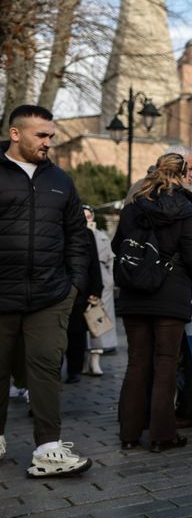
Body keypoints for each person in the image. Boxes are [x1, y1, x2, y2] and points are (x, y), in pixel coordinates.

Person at [0, 104, 93, 477]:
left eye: (51, 136)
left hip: (50, 295)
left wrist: (73, 284)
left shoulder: (61, 180)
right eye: (41, 135)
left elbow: (77, 236)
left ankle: (48, 449)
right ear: (16, 133)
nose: (48, 143)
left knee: (45, 368)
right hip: (1, 294)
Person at [113, 153, 192, 453]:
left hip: (133, 292)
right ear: (182, 174)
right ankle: (161, 436)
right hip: (170, 292)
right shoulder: (185, 209)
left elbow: (118, 245)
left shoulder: (134, 205)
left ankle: (129, 434)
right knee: (166, 363)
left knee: (137, 362)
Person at [64, 206, 104, 384]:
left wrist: (96, 291)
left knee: (77, 333)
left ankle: (75, 370)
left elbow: (94, 265)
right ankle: (55, 368)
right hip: (58, 289)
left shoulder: (87, 235)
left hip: (81, 291)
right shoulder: (58, 230)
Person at [83, 205, 116, 373]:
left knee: (98, 322)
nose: (87, 219)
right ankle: (83, 360)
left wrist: (109, 282)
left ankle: (95, 358)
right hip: (82, 283)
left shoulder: (102, 237)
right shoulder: (75, 235)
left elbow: (111, 262)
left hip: (102, 285)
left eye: (89, 216)